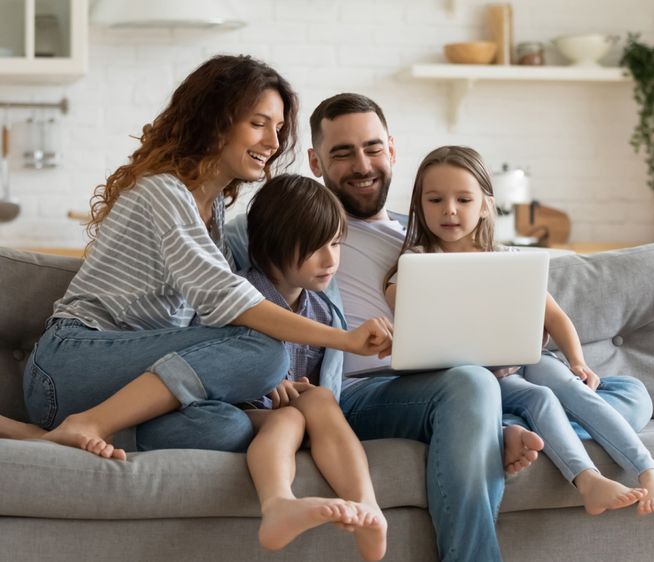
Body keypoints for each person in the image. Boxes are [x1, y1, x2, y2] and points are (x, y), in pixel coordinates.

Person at [226, 93, 654, 561]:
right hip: (366, 389)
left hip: (465, 378)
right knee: (473, 384)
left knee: (630, 395)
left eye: (371, 148)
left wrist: (525, 341)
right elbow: (228, 306)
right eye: (342, 153)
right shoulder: (287, 228)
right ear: (315, 161)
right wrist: (270, 374)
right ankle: (489, 457)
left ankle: (495, 426)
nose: (362, 164)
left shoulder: (429, 230)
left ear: (391, 149)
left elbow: (510, 296)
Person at [0, 56, 392, 461]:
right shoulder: (163, 193)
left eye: (277, 128)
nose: (273, 143)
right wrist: (344, 339)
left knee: (228, 427)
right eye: (258, 124)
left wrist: (253, 376)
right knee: (267, 351)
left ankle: (51, 432)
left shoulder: (214, 213)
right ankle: (89, 423)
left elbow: (209, 322)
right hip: (72, 363)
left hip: (120, 382)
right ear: (215, 120)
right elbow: (227, 300)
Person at [384, 144, 654, 517]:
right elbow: (399, 305)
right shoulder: (418, 263)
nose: (449, 210)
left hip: (526, 358)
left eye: (463, 199)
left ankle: (649, 470)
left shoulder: (507, 259)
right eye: (435, 199)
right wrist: (404, 286)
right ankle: (587, 479)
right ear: (420, 205)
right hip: (479, 378)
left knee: (570, 386)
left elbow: (556, 318)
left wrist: (578, 361)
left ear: (486, 204)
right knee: (541, 399)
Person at [240, 173, 386, 560]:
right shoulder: (240, 297)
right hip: (243, 410)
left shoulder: (322, 309)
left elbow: (319, 385)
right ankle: (279, 503)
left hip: (299, 413)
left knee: (320, 399)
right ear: (272, 247)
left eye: (336, 243)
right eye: (316, 247)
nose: (331, 259)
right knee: (290, 420)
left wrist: (302, 389)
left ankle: (368, 507)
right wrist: (265, 381)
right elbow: (212, 362)